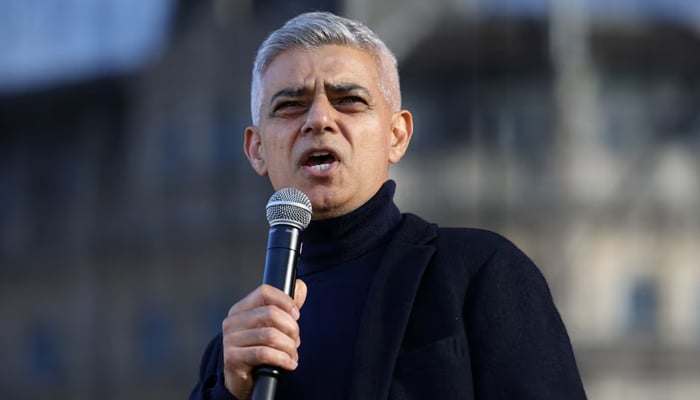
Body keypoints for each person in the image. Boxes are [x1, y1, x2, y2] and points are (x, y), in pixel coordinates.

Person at [190, 11, 587, 400]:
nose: (319, 119)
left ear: (396, 135)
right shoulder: (232, 355)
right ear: (256, 150)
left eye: (348, 100)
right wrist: (230, 392)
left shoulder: (478, 273)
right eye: (290, 106)